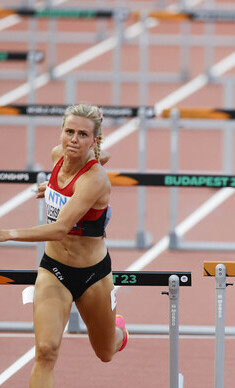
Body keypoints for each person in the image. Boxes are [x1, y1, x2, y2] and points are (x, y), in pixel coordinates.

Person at [0, 104, 126, 388]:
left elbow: (58, 230)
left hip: (93, 275)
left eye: (83, 134)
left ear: (94, 140)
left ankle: (119, 329)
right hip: (54, 270)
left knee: (106, 352)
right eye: (69, 131)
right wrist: (52, 187)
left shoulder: (95, 180)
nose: (73, 139)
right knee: (45, 351)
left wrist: (7, 234)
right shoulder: (58, 156)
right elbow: (83, 161)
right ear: (61, 133)